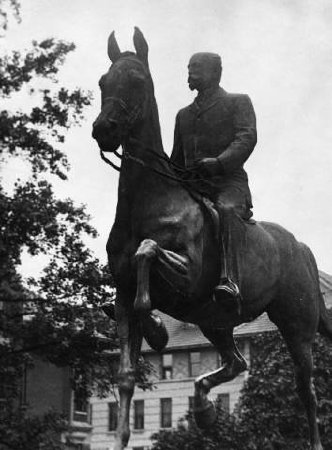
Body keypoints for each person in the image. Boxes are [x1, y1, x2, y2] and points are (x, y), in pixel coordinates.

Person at [171, 52, 257, 307]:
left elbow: (246, 138)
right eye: (188, 68)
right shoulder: (183, 115)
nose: (190, 73)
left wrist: (219, 162)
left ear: (215, 72)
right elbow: (176, 158)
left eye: (196, 68)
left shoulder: (237, 102)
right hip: (193, 188)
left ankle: (230, 279)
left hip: (228, 183)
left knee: (227, 210)